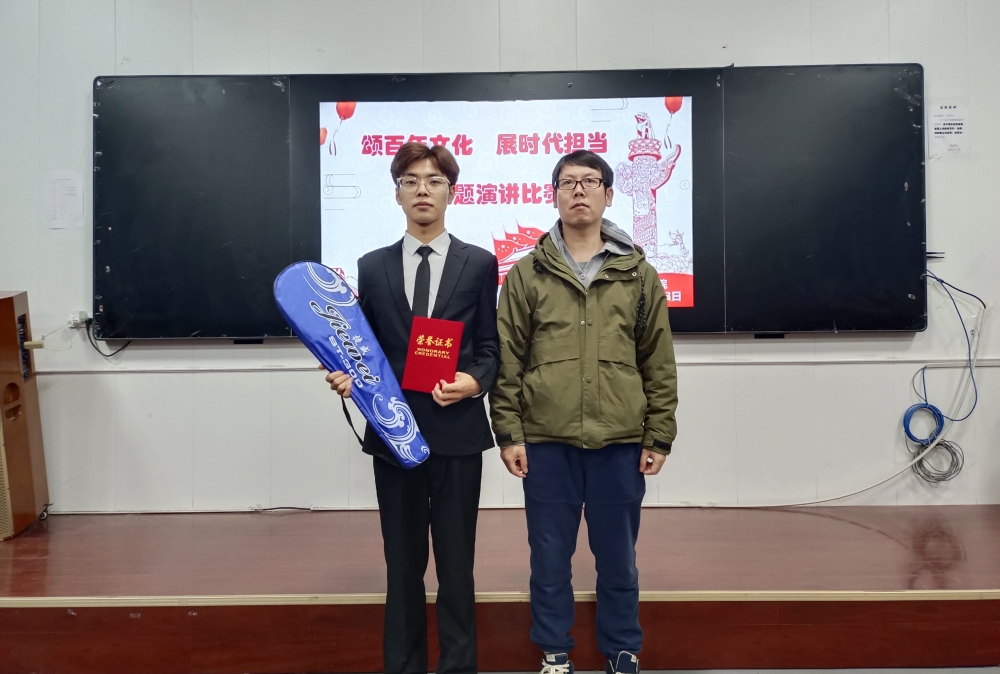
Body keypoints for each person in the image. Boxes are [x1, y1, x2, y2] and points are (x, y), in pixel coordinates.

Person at [490, 150, 678, 674]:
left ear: (608, 195)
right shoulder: (527, 274)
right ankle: (554, 651)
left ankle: (623, 649)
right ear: (553, 194)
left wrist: (659, 434)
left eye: (590, 182)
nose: (579, 190)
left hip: (619, 441)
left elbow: (658, 361)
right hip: (546, 441)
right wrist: (509, 433)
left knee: (618, 558)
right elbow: (508, 360)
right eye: (568, 182)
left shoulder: (638, 274)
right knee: (549, 559)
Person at [326, 142, 500, 674]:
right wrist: (346, 375)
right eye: (411, 180)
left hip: (457, 434)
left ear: (452, 192)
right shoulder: (372, 266)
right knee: (402, 568)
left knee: (456, 566)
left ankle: (458, 668)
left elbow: (490, 347)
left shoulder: (480, 262)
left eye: (434, 180)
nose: (422, 189)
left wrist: (474, 382)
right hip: (394, 435)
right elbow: (365, 349)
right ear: (397, 193)